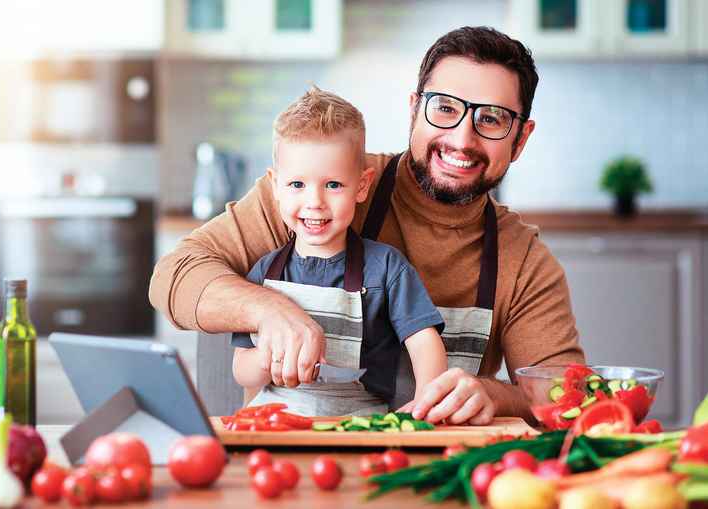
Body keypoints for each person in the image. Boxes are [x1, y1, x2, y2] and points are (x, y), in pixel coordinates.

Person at [149, 26, 585, 425]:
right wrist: (268, 310)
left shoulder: (523, 259)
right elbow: (173, 277)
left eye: (490, 119)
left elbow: (566, 394)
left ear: (520, 138)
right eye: (445, 108)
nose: (461, 139)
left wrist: (495, 394)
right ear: (415, 109)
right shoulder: (320, 192)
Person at [230, 87, 448, 417]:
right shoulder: (264, 272)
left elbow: (424, 343)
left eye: (333, 185)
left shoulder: (386, 268)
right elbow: (241, 371)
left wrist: (424, 407)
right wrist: (268, 356)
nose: (314, 201)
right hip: (274, 427)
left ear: (361, 186)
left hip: (356, 426)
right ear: (275, 185)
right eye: (297, 185)